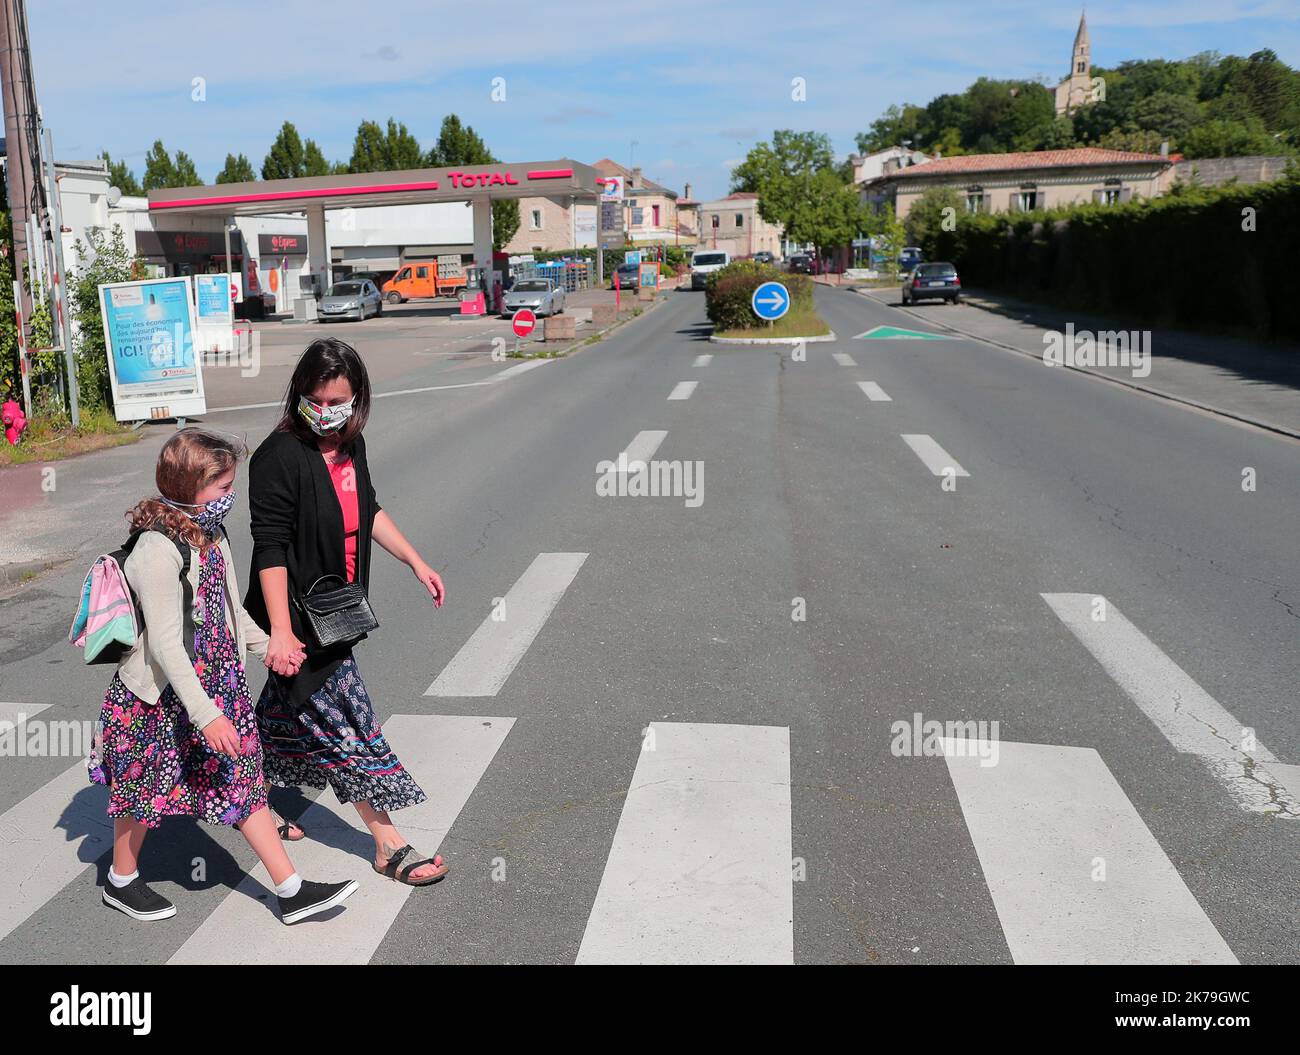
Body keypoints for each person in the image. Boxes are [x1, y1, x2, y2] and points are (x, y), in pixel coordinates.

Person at [90, 428, 359, 925]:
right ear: (189, 484)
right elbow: (168, 645)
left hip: (216, 684)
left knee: (243, 780)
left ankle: (291, 889)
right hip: (163, 697)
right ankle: (121, 879)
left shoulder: (212, 534)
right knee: (141, 791)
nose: (230, 496)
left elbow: (229, 609)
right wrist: (207, 713)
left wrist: (270, 647)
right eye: (222, 486)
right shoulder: (157, 548)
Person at [244, 337, 449, 886]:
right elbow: (268, 546)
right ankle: (388, 842)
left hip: (336, 610)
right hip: (296, 618)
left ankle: (250, 798)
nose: (329, 413)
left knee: (283, 714)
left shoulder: (350, 444)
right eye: (319, 399)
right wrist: (281, 634)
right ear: (300, 394)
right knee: (347, 722)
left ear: (357, 400)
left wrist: (415, 561)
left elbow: (369, 508)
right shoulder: (278, 457)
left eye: (341, 402)